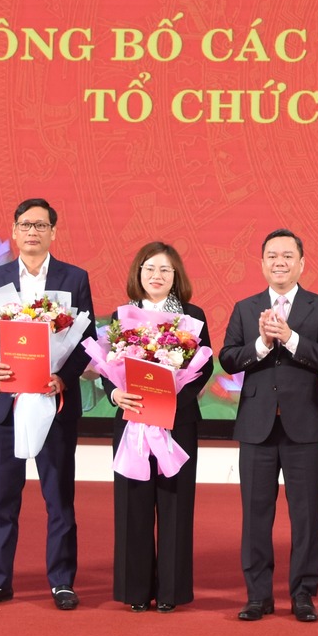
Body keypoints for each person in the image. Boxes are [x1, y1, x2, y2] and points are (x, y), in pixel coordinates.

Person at [0, 197, 96, 611]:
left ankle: (62, 582)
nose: (33, 232)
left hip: (54, 402)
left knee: (59, 499)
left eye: (41, 225)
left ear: (53, 232)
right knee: (3, 499)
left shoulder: (74, 277)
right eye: (26, 225)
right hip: (7, 404)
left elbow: (86, 339)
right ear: (14, 231)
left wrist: (64, 377)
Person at [218, 229, 318, 622]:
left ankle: (303, 594)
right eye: (272, 255)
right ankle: (258, 595)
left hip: (305, 427)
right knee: (255, 515)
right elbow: (228, 358)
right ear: (262, 263)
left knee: (305, 516)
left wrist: (290, 338)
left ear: (302, 263)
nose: (280, 262)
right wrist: (260, 345)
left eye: (288, 256)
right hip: (257, 427)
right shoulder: (245, 307)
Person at [105, 241, 212, 611]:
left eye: (165, 269)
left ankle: (171, 592)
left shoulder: (192, 316)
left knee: (175, 504)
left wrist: (170, 399)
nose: (157, 275)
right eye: (150, 268)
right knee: (132, 504)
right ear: (139, 273)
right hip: (132, 420)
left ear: (175, 276)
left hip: (176, 424)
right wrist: (115, 394)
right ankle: (135, 592)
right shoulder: (122, 316)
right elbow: (108, 366)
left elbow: (203, 369)